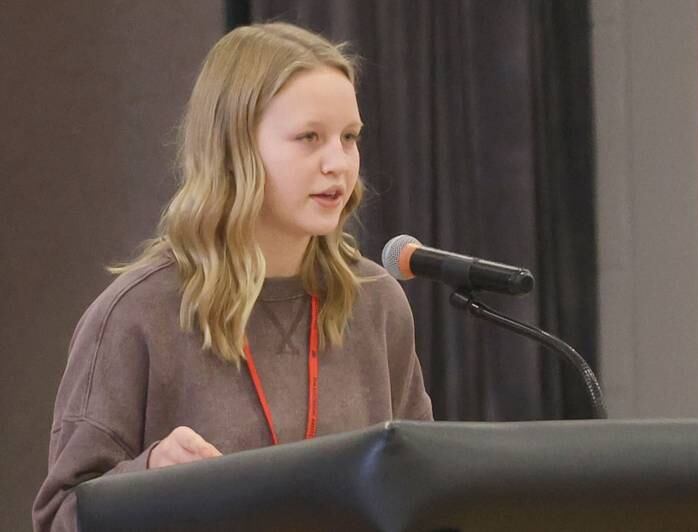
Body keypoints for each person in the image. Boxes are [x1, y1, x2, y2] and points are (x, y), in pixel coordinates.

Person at [32, 21, 433, 531]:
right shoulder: (135, 314)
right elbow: (59, 515)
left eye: (349, 138)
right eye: (309, 137)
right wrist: (149, 475)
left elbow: (424, 492)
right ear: (235, 148)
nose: (338, 163)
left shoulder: (376, 301)